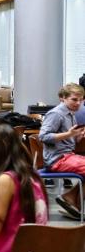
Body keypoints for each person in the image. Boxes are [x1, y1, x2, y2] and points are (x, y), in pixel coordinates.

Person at [38, 83, 85, 219]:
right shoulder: (56, 114)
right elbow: (43, 137)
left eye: (80, 100)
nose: (78, 103)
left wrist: (77, 136)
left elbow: (68, 141)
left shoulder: (71, 115)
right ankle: (70, 198)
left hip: (66, 156)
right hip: (57, 159)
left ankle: (70, 198)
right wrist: (69, 135)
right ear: (62, 98)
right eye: (74, 99)